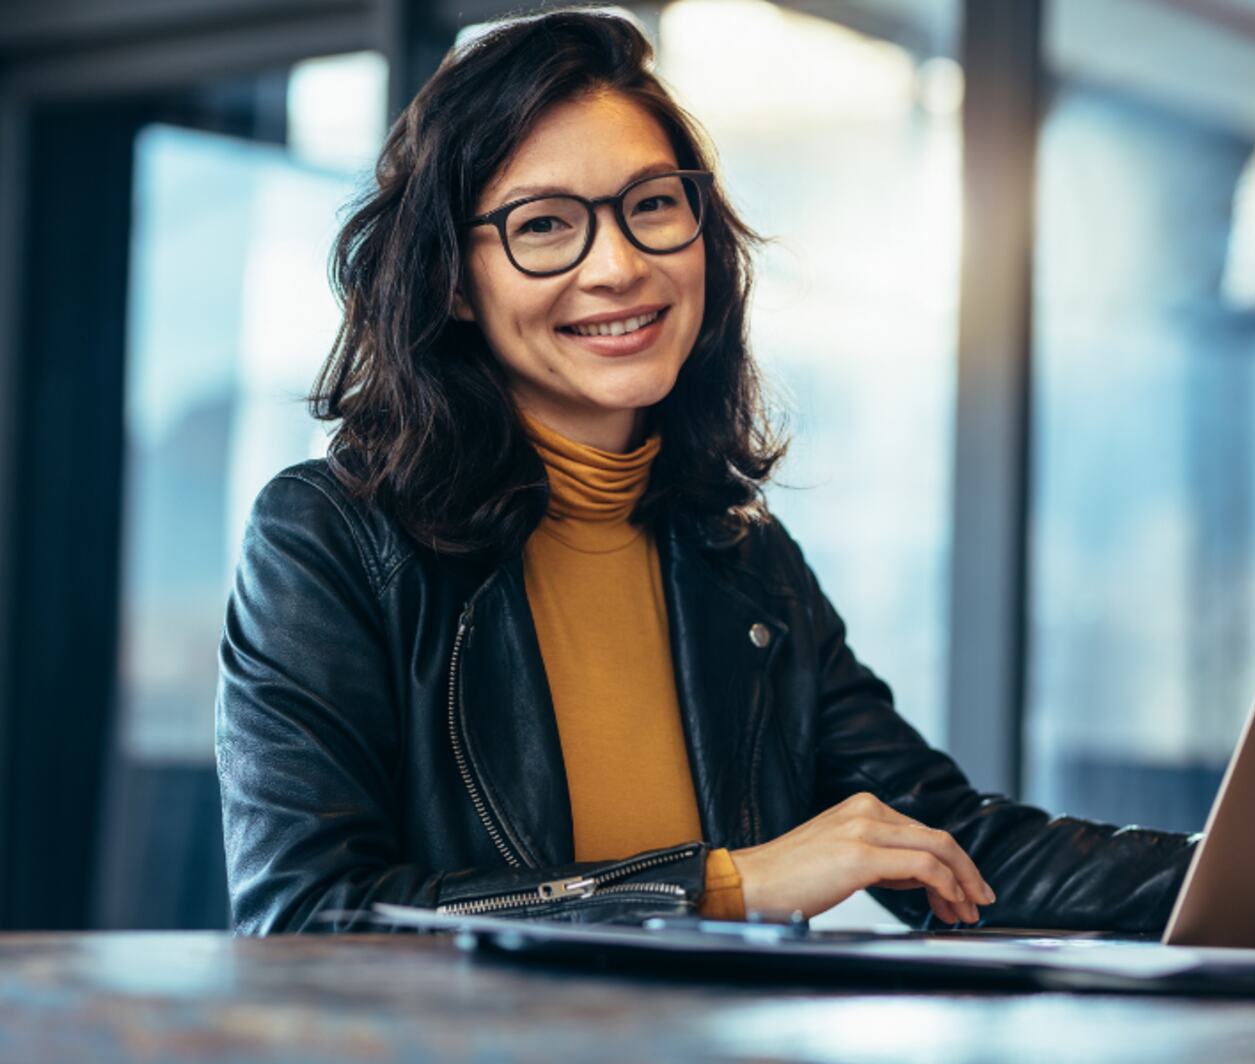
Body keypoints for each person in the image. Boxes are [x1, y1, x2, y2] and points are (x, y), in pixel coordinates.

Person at [214, 8, 1195, 934]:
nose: (619, 266)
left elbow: (945, 842)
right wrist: (724, 883)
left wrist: (1213, 866)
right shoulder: (328, 537)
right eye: (547, 223)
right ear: (451, 280)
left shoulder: (740, 553)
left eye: (651, 205)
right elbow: (310, 913)